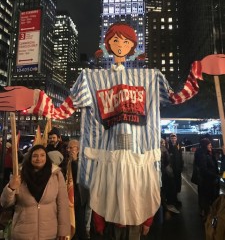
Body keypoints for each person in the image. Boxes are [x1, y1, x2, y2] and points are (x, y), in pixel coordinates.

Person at [0, 24, 225, 229]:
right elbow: (63, 110)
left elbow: (176, 97)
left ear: (132, 46)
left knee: (136, 203)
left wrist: (198, 71)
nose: (120, 45)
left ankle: (136, 221)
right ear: (108, 45)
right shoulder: (91, 79)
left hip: (139, 159)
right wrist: (34, 99)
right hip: (105, 160)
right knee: (105, 205)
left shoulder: (149, 77)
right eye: (115, 41)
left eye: (125, 41)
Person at [0, 144, 70, 240]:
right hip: (23, 233)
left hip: (49, 233)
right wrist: (11, 188)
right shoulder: (19, 175)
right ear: (29, 157)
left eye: (42, 155)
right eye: (35, 155)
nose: (39, 159)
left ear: (46, 157)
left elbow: (63, 205)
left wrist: (63, 230)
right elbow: (5, 203)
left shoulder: (56, 175)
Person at [67, 139, 91, 240]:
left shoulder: (85, 161)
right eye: (68, 147)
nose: (69, 150)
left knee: (80, 225)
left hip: (80, 199)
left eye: (72, 147)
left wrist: (75, 161)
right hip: (69, 199)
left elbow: (79, 178)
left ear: (79, 149)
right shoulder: (66, 160)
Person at [195, 138, 220, 218]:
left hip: (211, 180)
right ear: (205, 146)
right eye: (209, 145)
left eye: (211, 145)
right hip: (207, 181)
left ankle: (209, 213)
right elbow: (204, 170)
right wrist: (216, 175)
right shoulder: (203, 155)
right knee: (206, 197)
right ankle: (207, 215)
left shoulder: (209, 153)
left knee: (208, 197)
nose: (211, 146)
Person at [160, 138, 180, 214]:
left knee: (162, 190)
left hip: (160, 172)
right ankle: (167, 206)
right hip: (165, 172)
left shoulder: (156, 149)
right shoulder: (164, 149)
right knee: (167, 188)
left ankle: (163, 206)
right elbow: (167, 161)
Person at [167, 133, 184, 206]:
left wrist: (181, 166)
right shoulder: (168, 146)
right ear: (170, 139)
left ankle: (175, 199)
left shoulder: (178, 146)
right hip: (171, 170)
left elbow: (180, 157)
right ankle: (171, 200)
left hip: (178, 169)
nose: (173, 139)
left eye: (174, 138)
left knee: (177, 185)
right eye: (172, 138)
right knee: (171, 185)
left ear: (176, 138)